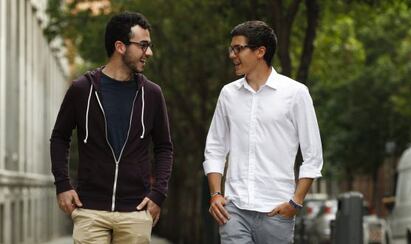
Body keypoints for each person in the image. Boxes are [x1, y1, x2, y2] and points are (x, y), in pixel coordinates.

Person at [50, 11, 173, 244]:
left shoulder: (152, 94)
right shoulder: (82, 89)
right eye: (143, 45)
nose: (149, 52)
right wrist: (63, 185)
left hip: (135, 210)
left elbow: (164, 147)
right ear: (120, 46)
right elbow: (59, 137)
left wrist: (158, 194)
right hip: (90, 209)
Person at [203, 20, 323, 244]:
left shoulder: (296, 93)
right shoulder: (228, 94)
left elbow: (313, 156)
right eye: (232, 49)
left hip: (276, 212)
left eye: (238, 49)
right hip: (233, 210)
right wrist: (215, 194)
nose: (232, 55)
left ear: (260, 51)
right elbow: (215, 148)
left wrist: (295, 202)